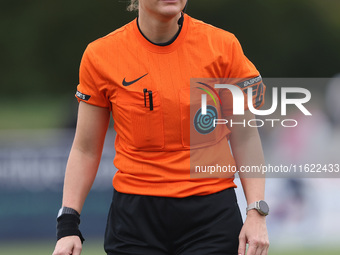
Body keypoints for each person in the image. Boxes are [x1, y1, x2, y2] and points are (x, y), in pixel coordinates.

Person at [52, 0, 269, 254]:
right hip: (134, 222)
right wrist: (67, 225)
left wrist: (256, 213)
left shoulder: (222, 46)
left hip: (211, 217)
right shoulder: (100, 55)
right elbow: (85, 149)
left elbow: (245, 138)